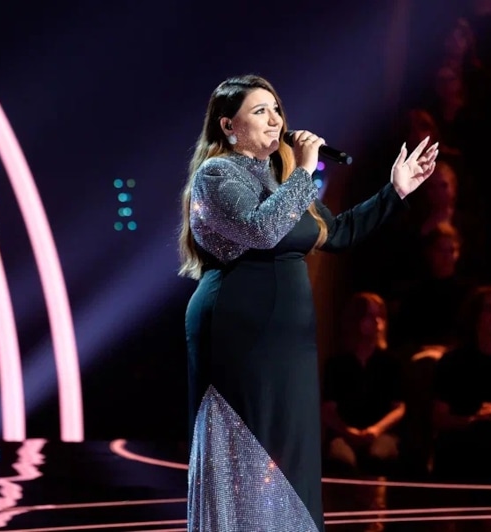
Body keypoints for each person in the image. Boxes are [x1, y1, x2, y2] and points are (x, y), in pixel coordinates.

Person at [178, 74, 438, 531]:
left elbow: (336, 232)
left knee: (290, 455)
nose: (275, 119)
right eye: (260, 111)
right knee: (248, 453)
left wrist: (395, 190)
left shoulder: (281, 179)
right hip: (240, 331)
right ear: (228, 125)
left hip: (290, 340)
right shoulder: (216, 176)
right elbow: (262, 230)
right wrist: (303, 170)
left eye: (276, 109)